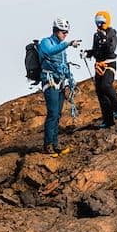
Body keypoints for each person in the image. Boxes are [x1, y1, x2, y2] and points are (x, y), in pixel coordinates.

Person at [36, 16, 80, 152]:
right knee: (53, 113)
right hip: (49, 82)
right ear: (56, 31)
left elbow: (63, 64)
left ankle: (55, 144)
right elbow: (49, 51)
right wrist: (67, 44)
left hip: (60, 82)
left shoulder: (61, 47)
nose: (65, 35)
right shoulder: (45, 42)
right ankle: (48, 144)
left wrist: (69, 78)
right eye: (63, 32)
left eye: (67, 32)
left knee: (58, 114)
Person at [86, 10, 117, 127]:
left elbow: (111, 49)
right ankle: (108, 120)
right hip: (99, 65)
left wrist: (104, 39)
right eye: (97, 22)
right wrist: (89, 53)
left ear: (107, 21)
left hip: (109, 63)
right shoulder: (96, 35)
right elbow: (96, 50)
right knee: (100, 92)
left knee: (106, 85)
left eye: (101, 22)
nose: (99, 25)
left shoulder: (112, 32)